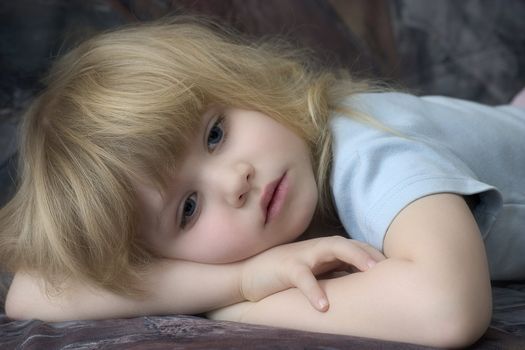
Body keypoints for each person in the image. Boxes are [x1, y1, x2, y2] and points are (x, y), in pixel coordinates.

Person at [1, 17, 524, 348]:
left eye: (215, 133)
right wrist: (243, 276)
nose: (235, 179)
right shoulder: (281, 187)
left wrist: (231, 302)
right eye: (187, 208)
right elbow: (33, 294)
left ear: (241, 85)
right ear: (159, 254)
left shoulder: (367, 150)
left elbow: (445, 310)